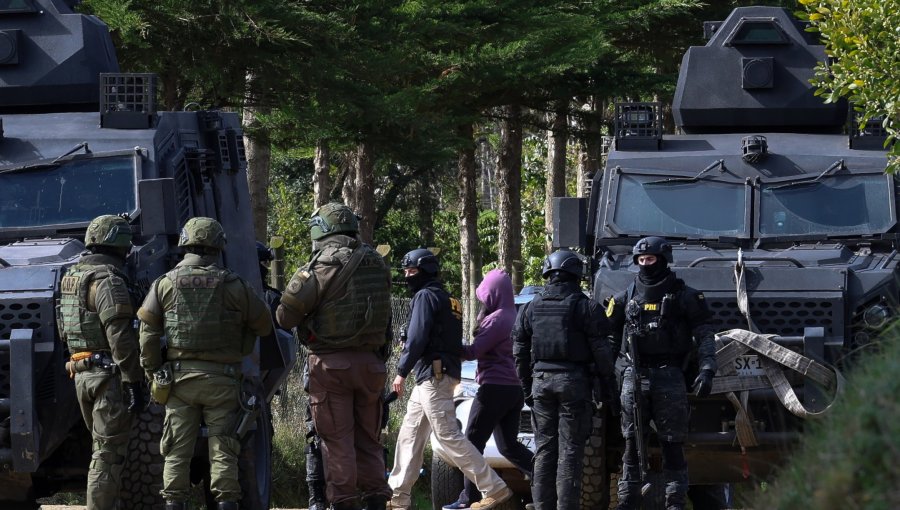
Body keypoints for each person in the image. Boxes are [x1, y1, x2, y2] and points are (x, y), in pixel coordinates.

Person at [137, 217, 273, 510]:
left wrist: (152, 372)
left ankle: (175, 504)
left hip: (178, 383)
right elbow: (263, 324)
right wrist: (240, 342)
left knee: (175, 451)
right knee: (224, 449)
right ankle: (226, 503)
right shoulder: (234, 284)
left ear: (185, 243)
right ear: (218, 246)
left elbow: (147, 334)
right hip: (223, 381)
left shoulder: (164, 284)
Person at [276, 202, 393, 510]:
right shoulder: (378, 263)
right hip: (372, 365)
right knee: (370, 440)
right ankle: (377, 501)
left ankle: (342, 503)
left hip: (331, 367)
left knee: (337, 442)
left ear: (321, 230)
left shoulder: (320, 267)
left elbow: (285, 318)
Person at [389, 249, 512, 510]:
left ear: (425, 271)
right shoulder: (449, 300)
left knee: (448, 437)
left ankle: (494, 487)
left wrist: (401, 372)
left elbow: (417, 338)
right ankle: (398, 499)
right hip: (432, 376)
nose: (407, 276)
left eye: (411, 271)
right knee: (409, 435)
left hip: (434, 377)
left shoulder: (425, 296)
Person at [605, 237, 717, 510]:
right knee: (631, 444)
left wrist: (707, 369)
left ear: (663, 259)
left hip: (670, 376)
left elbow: (704, 335)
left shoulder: (686, 296)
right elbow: (608, 341)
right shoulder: (624, 299)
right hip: (635, 375)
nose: (645, 264)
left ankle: (675, 502)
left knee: (672, 445)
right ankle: (628, 502)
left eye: (650, 259)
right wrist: (604, 376)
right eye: (640, 260)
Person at [512, 249, 615, 510]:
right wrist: (608, 387)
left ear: (548, 272)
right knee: (570, 450)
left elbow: (519, 352)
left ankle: (542, 505)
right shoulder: (586, 307)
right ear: (576, 274)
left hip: (541, 382)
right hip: (573, 383)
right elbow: (602, 353)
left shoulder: (530, 307)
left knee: (545, 449)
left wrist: (527, 387)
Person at [57, 214, 145, 510]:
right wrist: (134, 380)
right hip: (108, 377)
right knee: (107, 455)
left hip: (81, 373)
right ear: (121, 247)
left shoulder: (70, 277)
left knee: (102, 450)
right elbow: (119, 335)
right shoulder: (109, 280)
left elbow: (62, 327)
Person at [444, 269, 535, 510]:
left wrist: (444, 345)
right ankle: (545, 478)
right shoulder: (514, 315)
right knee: (508, 446)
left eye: (485, 295)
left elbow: (473, 352)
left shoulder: (497, 319)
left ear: (494, 294)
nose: (483, 300)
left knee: (471, 443)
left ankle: (469, 498)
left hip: (493, 388)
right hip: (514, 390)